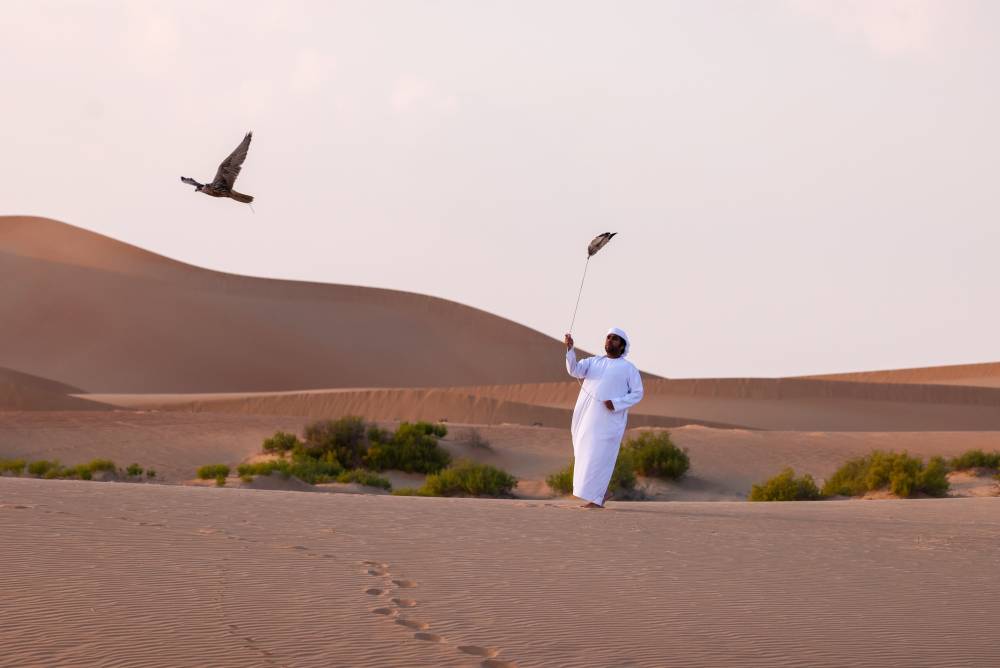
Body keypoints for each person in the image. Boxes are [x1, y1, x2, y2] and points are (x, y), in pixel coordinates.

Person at [564, 327, 644, 508]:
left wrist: (616, 403)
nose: (610, 341)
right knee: (585, 453)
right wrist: (570, 350)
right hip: (587, 418)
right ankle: (601, 492)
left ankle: (597, 498)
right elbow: (574, 370)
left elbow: (638, 393)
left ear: (622, 345)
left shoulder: (628, 368)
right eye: (608, 337)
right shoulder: (593, 362)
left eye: (615, 339)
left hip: (609, 420)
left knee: (601, 456)